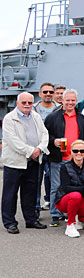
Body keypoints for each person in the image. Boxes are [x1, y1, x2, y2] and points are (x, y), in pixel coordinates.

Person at [2, 92, 49, 233]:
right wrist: (31, 150)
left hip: (33, 161)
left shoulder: (35, 116)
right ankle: (9, 222)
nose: (27, 105)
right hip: (15, 162)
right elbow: (13, 141)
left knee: (30, 192)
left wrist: (40, 148)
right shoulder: (9, 119)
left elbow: (44, 133)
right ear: (17, 103)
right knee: (10, 194)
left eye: (30, 102)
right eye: (24, 102)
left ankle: (30, 219)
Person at [43, 89, 84, 227]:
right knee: (56, 187)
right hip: (58, 159)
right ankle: (55, 215)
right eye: (67, 100)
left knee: (75, 188)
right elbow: (45, 136)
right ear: (62, 100)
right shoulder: (52, 117)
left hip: (76, 159)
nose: (70, 103)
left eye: (73, 100)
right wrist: (54, 141)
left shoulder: (80, 117)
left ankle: (70, 213)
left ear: (76, 101)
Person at [55, 139, 84, 237]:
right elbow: (65, 188)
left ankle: (78, 218)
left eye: (82, 151)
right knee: (76, 195)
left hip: (82, 198)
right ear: (71, 152)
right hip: (65, 199)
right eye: (75, 151)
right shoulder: (65, 167)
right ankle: (70, 225)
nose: (78, 153)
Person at [33, 82, 61, 214]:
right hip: (38, 150)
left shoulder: (60, 109)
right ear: (40, 94)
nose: (48, 94)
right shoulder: (33, 109)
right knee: (36, 181)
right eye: (45, 92)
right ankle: (35, 210)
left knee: (55, 181)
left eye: (51, 92)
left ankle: (55, 210)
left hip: (54, 151)